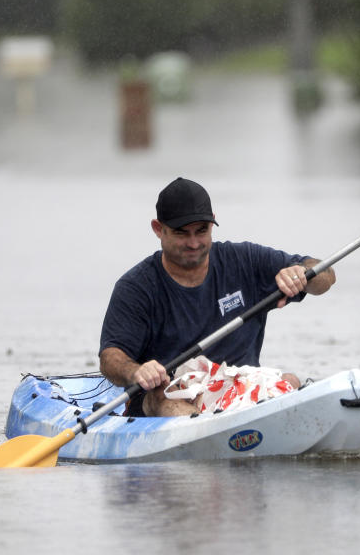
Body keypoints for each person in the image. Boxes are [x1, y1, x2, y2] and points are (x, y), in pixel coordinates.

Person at [99, 177, 336, 417]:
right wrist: (136, 372)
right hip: (170, 394)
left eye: (201, 231)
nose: (193, 243)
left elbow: (326, 275)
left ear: (212, 223)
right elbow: (110, 358)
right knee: (162, 398)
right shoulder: (136, 287)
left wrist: (303, 275)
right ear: (158, 229)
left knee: (289, 379)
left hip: (239, 386)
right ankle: (206, 435)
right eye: (182, 234)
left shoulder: (245, 260)